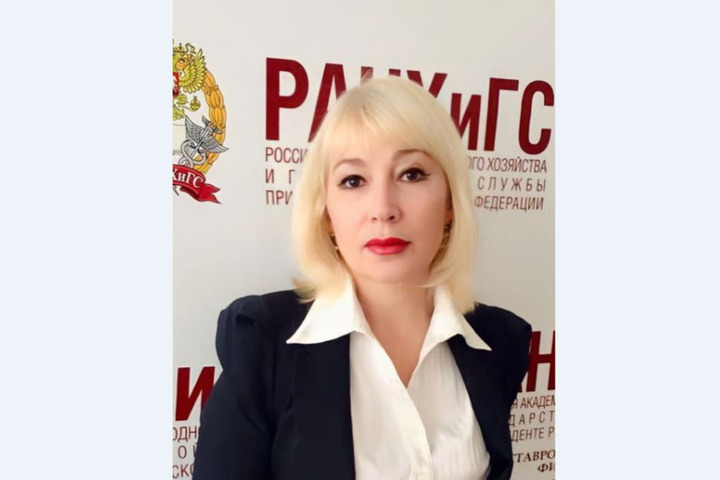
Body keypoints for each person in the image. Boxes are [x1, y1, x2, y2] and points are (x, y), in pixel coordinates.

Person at [192, 76, 531, 480]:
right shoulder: (262, 340)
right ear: (326, 214)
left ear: (449, 204)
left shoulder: (500, 341)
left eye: (411, 174)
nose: (383, 209)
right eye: (353, 180)